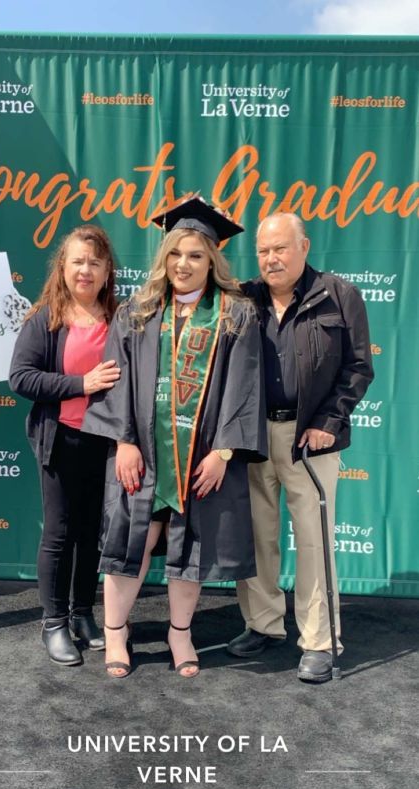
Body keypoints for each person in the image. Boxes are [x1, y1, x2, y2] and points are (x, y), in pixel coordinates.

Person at [82, 196, 268, 678]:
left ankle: (179, 634)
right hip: (142, 453)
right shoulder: (137, 312)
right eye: (176, 254)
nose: (184, 264)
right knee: (133, 541)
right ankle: (116, 633)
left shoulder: (235, 315)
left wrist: (223, 452)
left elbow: (245, 387)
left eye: (196, 255)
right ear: (164, 258)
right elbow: (117, 379)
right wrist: (123, 441)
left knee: (192, 545)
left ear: (212, 260)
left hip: (201, 456)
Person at [227, 212, 374, 683]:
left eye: (280, 248)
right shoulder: (244, 298)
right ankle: (263, 623)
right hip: (254, 437)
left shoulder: (339, 295)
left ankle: (320, 641)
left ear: (304, 247)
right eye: (263, 251)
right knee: (257, 535)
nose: (271, 259)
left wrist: (329, 421)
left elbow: (358, 368)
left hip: (311, 438)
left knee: (313, 541)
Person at [9, 225, 120, 666]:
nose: (85, 270)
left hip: (104, 444)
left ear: (108, 271)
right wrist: (81, 384)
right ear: (63, 267)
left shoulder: (120, 317)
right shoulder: (46, 318)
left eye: (94, 262)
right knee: (59, 533)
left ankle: (82, 614)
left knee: (91, 534)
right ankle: (53, 623)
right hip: (60, 440)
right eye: (77, 261)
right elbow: (21, 377)